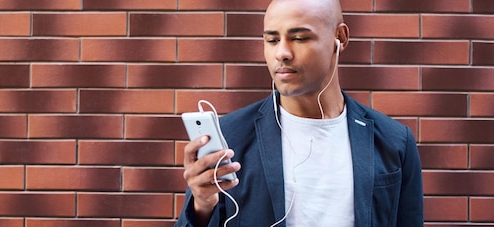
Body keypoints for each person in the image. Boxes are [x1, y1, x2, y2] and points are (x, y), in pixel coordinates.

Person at [175, 0, 424, 226]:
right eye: (272, 40)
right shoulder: (230, 138)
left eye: (300, 38)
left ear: (340, 37)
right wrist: (201, 206)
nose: (282, 53)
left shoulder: (394, 141)